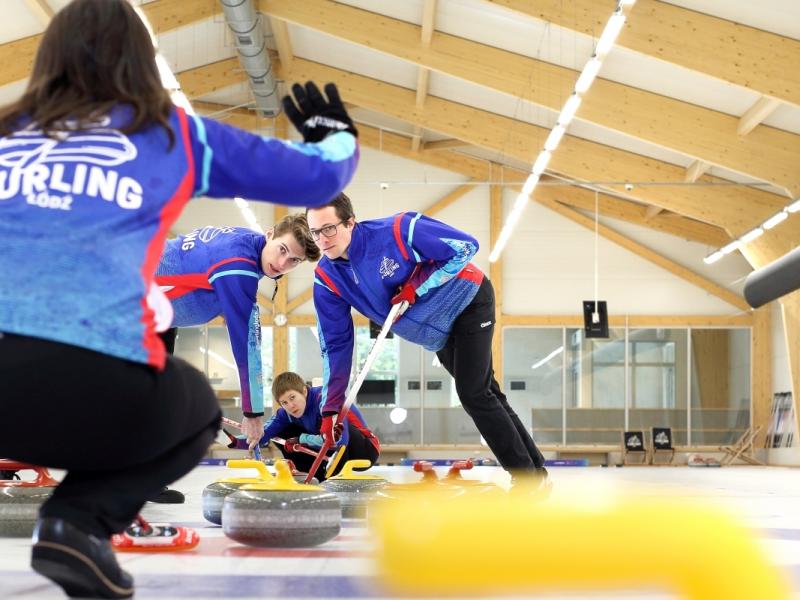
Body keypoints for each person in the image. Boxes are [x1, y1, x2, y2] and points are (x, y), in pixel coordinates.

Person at [0, 0, 358, 597]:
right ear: (141, 62)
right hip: (92, 386)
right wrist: (335, 136)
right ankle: (75, 522)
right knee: (194, 405)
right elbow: (320, 180)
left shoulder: (7, 133)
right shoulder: (169, 136)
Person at [306, 194, 547, 483]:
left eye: (329, 228)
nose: (322, 239)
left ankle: (525, 478)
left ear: (350, 222)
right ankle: (536, 472)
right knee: (486, 392)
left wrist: (416, 287)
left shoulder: (398, 229)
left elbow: (465, 247)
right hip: (438, 334)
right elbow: (336, 344)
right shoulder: (327, 279)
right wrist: (331, 407)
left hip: (468, 302)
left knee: (474, 393)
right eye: (315, 232)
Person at [151, 215, 320, 503]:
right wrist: (253, 414)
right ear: (269, 235)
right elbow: (246, 344)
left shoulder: (245, 243)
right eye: (282, 250)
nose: (282, 264)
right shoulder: (238, 267)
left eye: (294, 261)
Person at [225, 371, 380, 481]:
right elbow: (262, 435)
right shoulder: (285, 414)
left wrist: (302, 439)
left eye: (293, 397)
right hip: (328, 454)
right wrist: (234, 441)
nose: (290, 405)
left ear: (304, 391)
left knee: (334, 425)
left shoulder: (325, 400)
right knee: (281, 431)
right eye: (284, 402)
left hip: (363, 449)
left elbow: (339, 441)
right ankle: (312, 475)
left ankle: (328, 469)